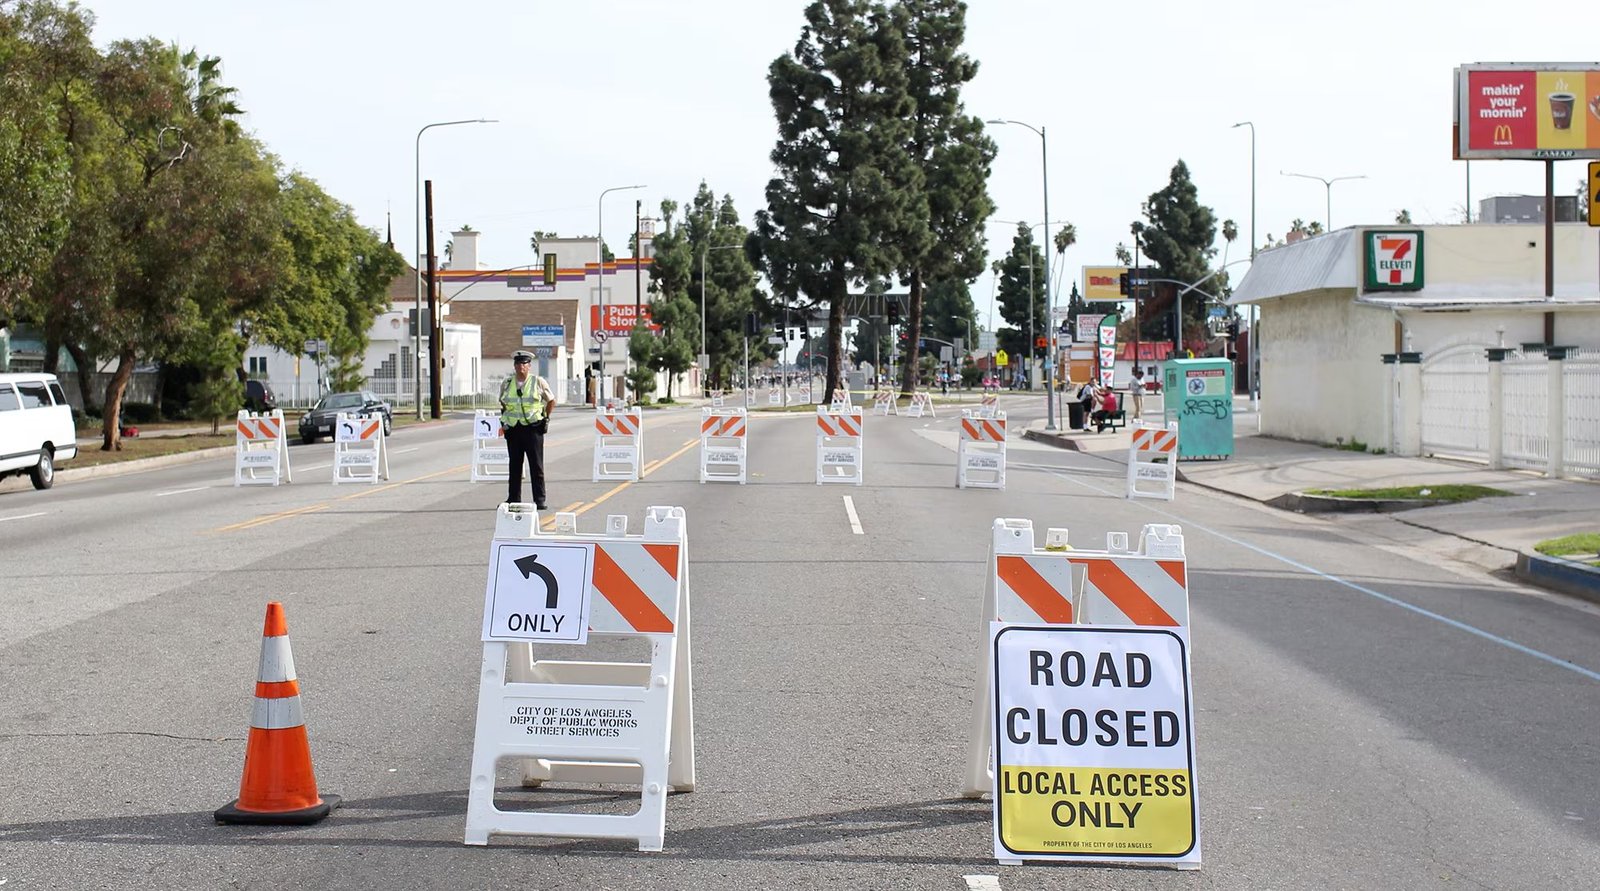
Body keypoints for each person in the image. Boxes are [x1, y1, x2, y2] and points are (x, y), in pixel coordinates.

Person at [500, 350, 556, 509]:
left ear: (529, 366)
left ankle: (539, 500)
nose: (520, 367)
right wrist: (506, 419)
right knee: (514, 466)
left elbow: (551, 400)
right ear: (514, 366)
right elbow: (503, 402)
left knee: (536, 465)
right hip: (514, 428)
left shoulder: (538, 382)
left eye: (524, 363)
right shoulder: (507, 383)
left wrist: (545, 417)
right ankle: (513, 499)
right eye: (518, 363)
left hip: (533, 428)